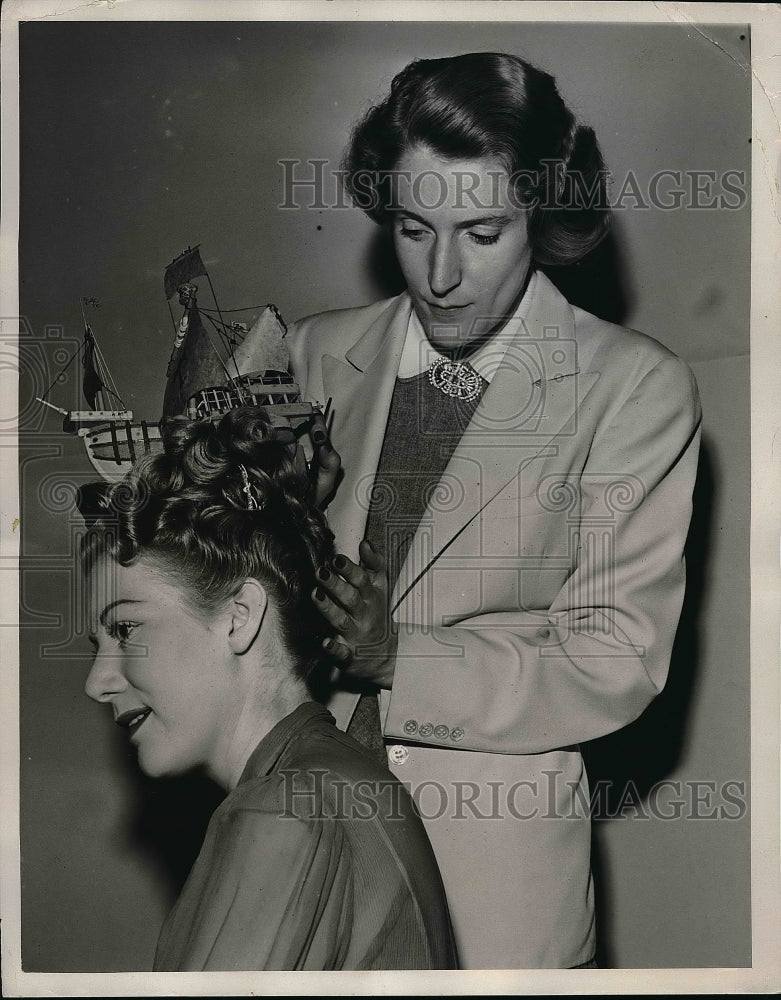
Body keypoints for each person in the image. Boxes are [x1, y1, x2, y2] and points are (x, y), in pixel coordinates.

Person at [286, 52, 702, 968]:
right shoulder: (306, 356)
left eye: (481, 231)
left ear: (543, 217)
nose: (439, 274)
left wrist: (400, 657)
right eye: (411, 226)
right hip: (288, 851)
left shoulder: (632, 387)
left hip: (489, 874)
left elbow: (613, 655)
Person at [82, 406, 456, 971]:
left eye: (126, 628)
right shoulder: (328, 779)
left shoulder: (280, 809)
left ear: (239, 616)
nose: (96, 682)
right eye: (97, 646)